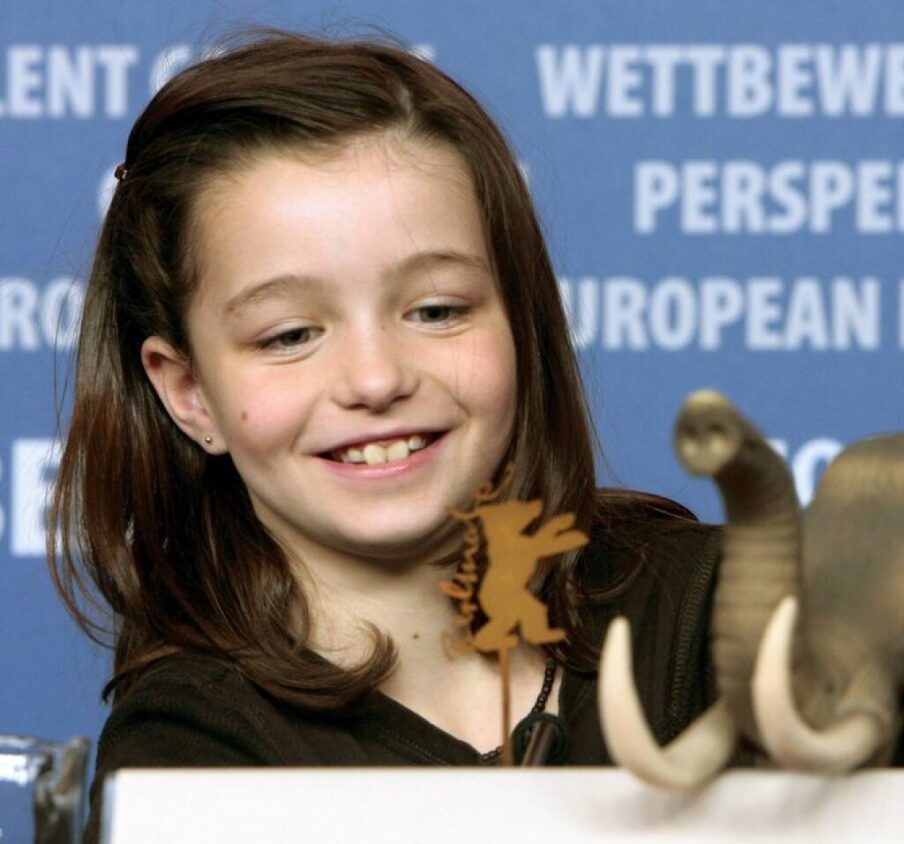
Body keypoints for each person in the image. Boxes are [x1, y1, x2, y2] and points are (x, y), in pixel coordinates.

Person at [47, 31, 722, 840]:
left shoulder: (722, 610)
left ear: (520, 322)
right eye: (290, 335)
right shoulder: (189, 758)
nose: (375, 379)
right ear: (190, 393)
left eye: (436, 311)